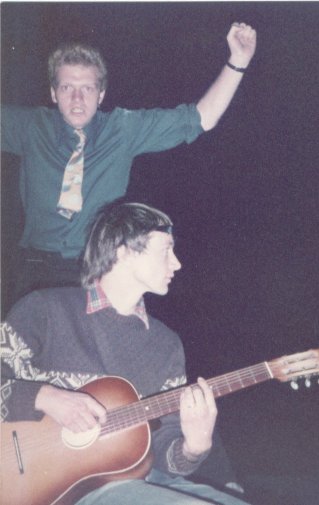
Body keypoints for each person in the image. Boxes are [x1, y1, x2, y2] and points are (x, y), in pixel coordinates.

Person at [0, 201, 251, 505]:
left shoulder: (166, 345)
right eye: (166, 250)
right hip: (52, 491)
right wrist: (45, 397)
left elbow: (162, 454)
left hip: (135, 481)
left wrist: (192, 449)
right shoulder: (44, 310)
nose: (177, 263)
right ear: (124, 251)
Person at [1, 22, 257, 305]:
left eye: (87, 88)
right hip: (34, 270)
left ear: (101, 94)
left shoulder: (123, 128)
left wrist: (239, 61)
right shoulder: (31, 127)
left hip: (98, 269)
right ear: (53, 93)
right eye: (67, 87)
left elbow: (200, 118)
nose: (77, 98)